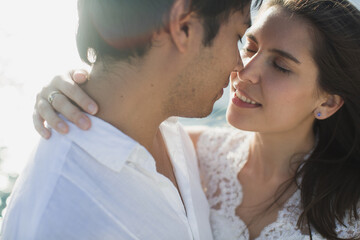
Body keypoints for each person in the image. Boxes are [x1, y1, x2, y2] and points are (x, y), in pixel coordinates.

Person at [31, 0, 360, 239]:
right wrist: (75, 90)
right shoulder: (196, 152)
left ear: (328, 102)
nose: (243, 72)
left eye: (281, 66)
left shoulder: (352, 210)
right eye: (248, 45)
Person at [1, 0, 258, 239]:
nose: (239, 65)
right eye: (237, 36)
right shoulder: (59, 220)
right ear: (183, 27)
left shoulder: (168, 132)